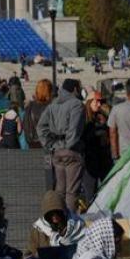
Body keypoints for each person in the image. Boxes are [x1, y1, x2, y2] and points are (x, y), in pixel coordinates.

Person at [37, 79, 86, 212]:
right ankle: (69, 222)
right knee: (71, 192)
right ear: (75, 89)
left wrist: (50, 144)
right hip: (71, 151)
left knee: (60, 191)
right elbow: (75, 129)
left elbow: (41, 127)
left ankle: (57, 220)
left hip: (56, 151)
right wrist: (68, 144)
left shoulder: (53, 104)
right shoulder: (77, 104)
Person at [25, 190, 85, 258]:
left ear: (63, 212)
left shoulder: (78, 225)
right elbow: (28, 256)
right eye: (50, 214)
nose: (54, 216)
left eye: (57, 212)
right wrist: (37, 256)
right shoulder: (38, 230)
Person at [83, 92, 113, 201]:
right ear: (89, 102)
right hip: (89, 161)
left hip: (103, 159)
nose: (99, 104)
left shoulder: (101, 116)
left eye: (100, 102)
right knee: (90, 194)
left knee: (106, 191)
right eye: (97, 101)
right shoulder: (83, 117)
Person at [23, 79, 54, 149]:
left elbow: (25, 126)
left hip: (33, 144)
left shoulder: (29, 106)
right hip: (48, 145)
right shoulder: (51, 107)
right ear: (49, 92)